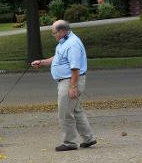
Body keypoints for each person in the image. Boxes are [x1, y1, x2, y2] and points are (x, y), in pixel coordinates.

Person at [31, 20, 97, 151]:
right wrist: (42, 62)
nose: (53, 35)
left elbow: (75, 69)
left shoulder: (72, 44)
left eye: (54, 33)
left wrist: (72, 87)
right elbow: (57, 58)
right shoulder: (64, 43)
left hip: (70, 81)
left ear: (62, 31)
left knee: (65, 112)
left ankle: (69, 143)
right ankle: (89, 138)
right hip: (67, 81)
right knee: (76, 111)